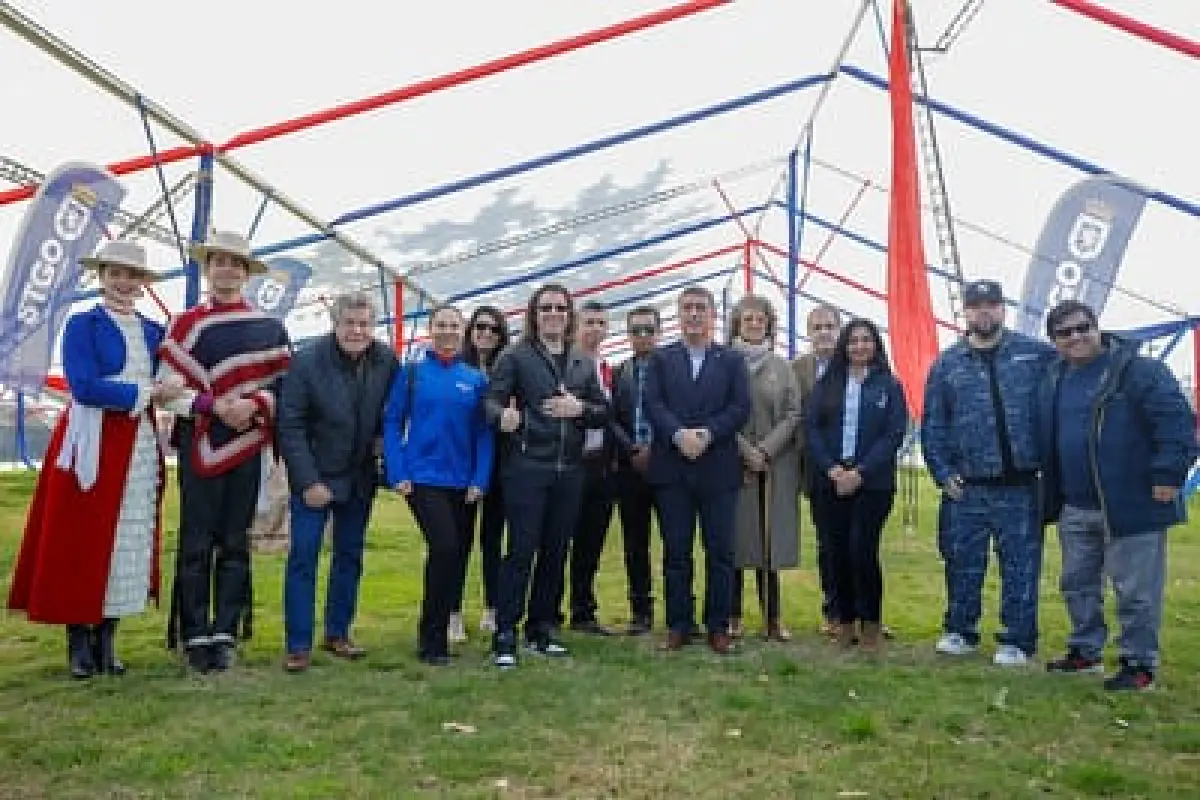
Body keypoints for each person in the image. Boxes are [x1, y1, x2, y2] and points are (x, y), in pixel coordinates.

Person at [8, 241, 178, 679]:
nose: (123, 281)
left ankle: (106, 637)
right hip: (91, 440)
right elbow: (82, 386)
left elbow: (170, 383)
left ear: (142, 282)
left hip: (138, 443)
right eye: (114, 273)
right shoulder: (83, 324)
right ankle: (78, 640)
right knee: (83, 536)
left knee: (126, 539)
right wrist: (144, 393)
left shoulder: (153, 330)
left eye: (131, 274)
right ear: (101, 276)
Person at [1038, 300, 1197, 691]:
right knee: (1077, 584)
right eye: (1065, 332)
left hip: (1132, 501)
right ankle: (1085, 651)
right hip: (1075, 504)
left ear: (1098, 328)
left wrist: (1168, 474)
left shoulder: (1140, 371)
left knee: (1136, 591)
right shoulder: (1053, 377)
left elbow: (1177, 423)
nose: (1076, 336)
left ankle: (1139, 664)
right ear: (1054, 341)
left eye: (1083, 327)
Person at [158, 231, 292, 674]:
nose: (228, 270)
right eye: (220, 262)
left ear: (246, 272)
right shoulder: (185, 326)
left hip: (247, 444)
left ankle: (226, 632)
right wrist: (213, 406)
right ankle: (194, 633)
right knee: (196, 541)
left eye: (236, 263)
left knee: (236, 540)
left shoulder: (269, 328)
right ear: (207, 268)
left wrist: (254, 405)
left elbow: (284, 385)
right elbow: (167, 390)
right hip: (198, 441)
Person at [921, 278, 1056, 666]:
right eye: (976, 306)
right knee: (962, 562)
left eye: (992, 305)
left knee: (1021, 566)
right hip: (968, 486)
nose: (984, 312)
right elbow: (934, 424)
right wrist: (943, 474)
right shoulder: (948, 364)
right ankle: (960, 630)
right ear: (965, 312)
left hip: (1021, 484)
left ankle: (1018, 639)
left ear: (1002, 309)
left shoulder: (1035, 356)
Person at [485, 284, 608, 668]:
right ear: (534, 315)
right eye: (546, 308)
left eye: (560, 308)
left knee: (556, 552)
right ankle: (505, 633)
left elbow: (603, 412)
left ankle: (541, 629)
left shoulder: (582, 362)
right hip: (527, 467)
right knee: (521, 551)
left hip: (570, 470)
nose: (553, 314)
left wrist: (579, 408)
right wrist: (503, 417)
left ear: (569, 315)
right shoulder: (514, 356)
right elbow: (489, 402)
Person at [277, 291, 398, 672]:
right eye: (350, 323)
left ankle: (338, 633)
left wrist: (384, 446)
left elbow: (392, 413)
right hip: (316, 476)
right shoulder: (307, 360)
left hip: (359, 476)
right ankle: (298, 645)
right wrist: (308, 481)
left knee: (350, 556)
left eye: (364, 324)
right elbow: (290, 425)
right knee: (304, 558)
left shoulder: (386, 360)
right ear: (335, 323)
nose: (357, 331)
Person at [384, 304, 493, 666]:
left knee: (456, 555)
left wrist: (480, 478)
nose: (448, 332)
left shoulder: (475, 379)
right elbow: (392, 421)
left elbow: (483, 433)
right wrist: (397, 471)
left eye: (454, 326)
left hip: (463, 483)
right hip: (423, 478)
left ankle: (443, 628)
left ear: (463, 332)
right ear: (431, 330)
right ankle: (431, 639)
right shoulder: (412, 374)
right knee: (444, 547)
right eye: (441, 325)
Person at [644, 285, 751, 654]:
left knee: (720, 552)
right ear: (678, 315)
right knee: (676, 551)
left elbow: (740, 407)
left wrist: (707, 433)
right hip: (672, 469)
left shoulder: (731, 360)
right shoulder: (661, 359)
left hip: (717, 467)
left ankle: (717, 626)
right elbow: (653, 404)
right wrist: (678, 435)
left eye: (700, 308)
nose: (693, 314)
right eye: (687, 308)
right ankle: (679, 624)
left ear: (712, 315)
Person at [804, 319, 907, 652]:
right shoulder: (827, 384)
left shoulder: (888, 385)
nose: (860, 346)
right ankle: (845, 623)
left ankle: (871, 624)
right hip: (830, 481)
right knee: (836, 553)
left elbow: (893, 434)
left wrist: (860, 472)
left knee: (861, 550)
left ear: (876, 344)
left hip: (872, 483)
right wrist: (832, 469)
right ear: (844, 347)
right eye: (853, 341)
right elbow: (811, 429)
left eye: (866, 340)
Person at [729, 295, 801, 641]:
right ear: (737, 324)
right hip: (734, 464)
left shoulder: (782, 368)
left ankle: (772, 617)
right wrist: (745, 450)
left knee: (769, 542)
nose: (755, 324)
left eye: (760, 319)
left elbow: (792, 413)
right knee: (735, 541)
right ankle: (732, 615)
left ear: (769, 324)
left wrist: (766, 450)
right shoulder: (725, 363)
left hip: (774, 466)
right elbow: (719, 410)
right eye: (748, 319)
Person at [449, 305, 511, 641]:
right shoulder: (457, 367)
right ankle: (453, 612)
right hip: (463, 464)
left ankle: (493, 607)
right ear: (470, 331)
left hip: (501, 463)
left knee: (493, 538)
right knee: (459, 539)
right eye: (481, 327)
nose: (487, 333)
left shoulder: (508, 367)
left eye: (494, 329)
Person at [560, 300, 617, 636]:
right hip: (571, 461)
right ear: (576, 326)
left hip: (601, 464)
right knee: (558, 540)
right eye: (589, 322)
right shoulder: (564, 364)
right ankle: (549, 610)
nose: (595, 329)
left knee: (591, 542)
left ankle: (583, 610)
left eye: (601, 323)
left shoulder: (609, 369)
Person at [609, 306, 663, 635]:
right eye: (636, 330)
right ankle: (640, 611)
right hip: (630, 469)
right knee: (635, 543)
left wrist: (655, 448)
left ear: (659, 332)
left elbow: (680, 412)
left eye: (648, 330)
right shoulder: (620, 372)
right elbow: (612, 417)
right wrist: (631, 448)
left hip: (667, 465)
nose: (642, 336)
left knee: (676, 542)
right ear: (628, 335)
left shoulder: (671, 368)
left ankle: (681, 611)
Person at [791, 305, 841, 636]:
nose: (824, 332)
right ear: (809, 332)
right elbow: (793, 415)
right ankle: (833, 611)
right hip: (817, 468)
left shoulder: (855, 363)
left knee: (859, 543)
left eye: (829, 326)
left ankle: (864, 613)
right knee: (828, 543)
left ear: (839, 330)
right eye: (817, 327)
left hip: (855, 467)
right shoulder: (798, 369)